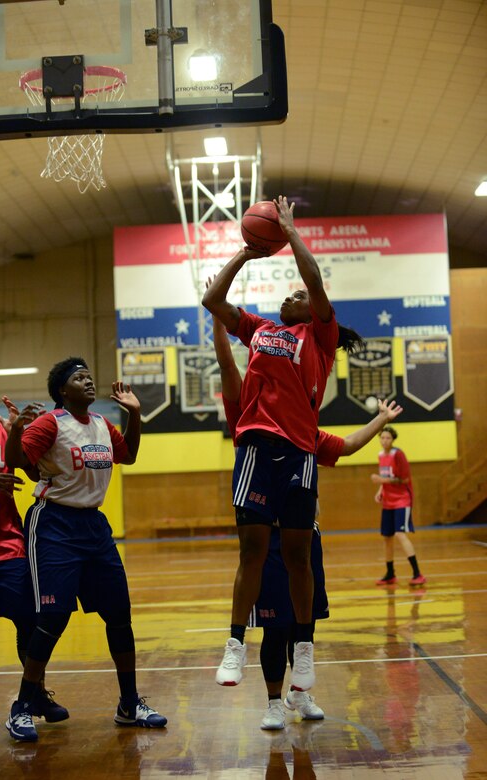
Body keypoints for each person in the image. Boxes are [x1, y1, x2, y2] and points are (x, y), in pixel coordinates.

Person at [207, 312, 402, 729]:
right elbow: (226, 362)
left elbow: (347, 445)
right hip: (269, 541)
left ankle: (302, 692)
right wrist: (217, 319)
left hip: (303, 538)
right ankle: (274, 702)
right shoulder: (248, 415)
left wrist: (381, 420)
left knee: (303, 621)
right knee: (274, 630)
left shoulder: (305, 434)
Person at [202, 196, 339, 693]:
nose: (291, 297)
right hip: (257, 447)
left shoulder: (319, 338)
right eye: (288, 295)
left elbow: (316, 281)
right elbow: (212, 302)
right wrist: (246, 253)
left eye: (297, 296)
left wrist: (289, 231)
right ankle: (235, 644)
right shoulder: (261, 330)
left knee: (300, 556)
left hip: (299, 451)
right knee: (253, 552)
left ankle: (304, 649)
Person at [4, 357, 167, 742]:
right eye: (79, 378)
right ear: (63, 391)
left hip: (93, 526)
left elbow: (128, 455)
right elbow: (15, 460)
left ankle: (129, 704)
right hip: (54, 524)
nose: (89, 381)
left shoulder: (100, 424)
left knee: (120, 616)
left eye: (89, 376)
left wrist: (136, 415)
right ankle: (22, 706)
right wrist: (14, 431)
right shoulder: (50, 423)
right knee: (52, 618)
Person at [0, 363, 68, 724]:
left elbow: (29, 470)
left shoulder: (1, 425)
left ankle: (36, 695)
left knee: (28, 622)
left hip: (6, 543)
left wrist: (19, 433)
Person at [371, 425, 426, 587]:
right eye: (382, 437)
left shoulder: (398, 454)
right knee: (387, 537)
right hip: (388, 501)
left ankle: (418, 573)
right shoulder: (381, 455)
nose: (384, 440)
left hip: (402, 499)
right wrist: (380, 489)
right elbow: (385, 477)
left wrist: (381, 481)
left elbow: (404, 480)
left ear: (393, 439)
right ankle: (390, 574)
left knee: (399, 534)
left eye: (388, 438)